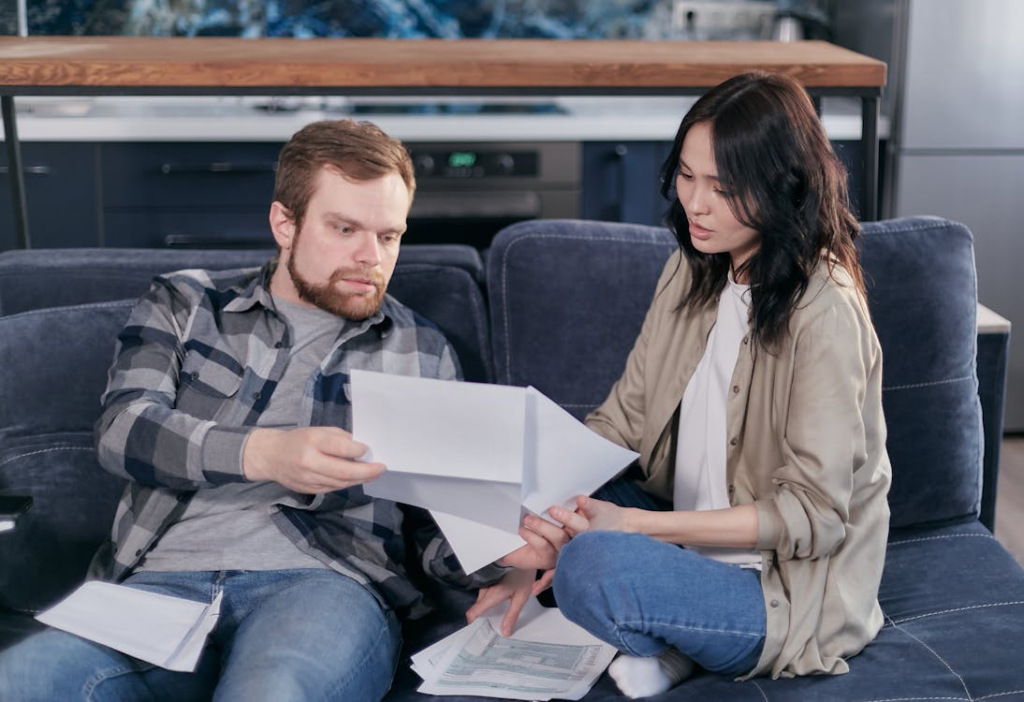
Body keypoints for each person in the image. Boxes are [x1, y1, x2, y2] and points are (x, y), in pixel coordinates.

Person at [0, 119, 564, 702]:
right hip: (158, 582)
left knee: (272, 693)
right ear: (285, 224)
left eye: (389, 236)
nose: (370, 257)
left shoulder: (420, 348)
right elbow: (124, 430)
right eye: (344, 228)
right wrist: (264, 453)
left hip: (324, 587)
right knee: (23, 681)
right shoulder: (187, 303)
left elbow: (433, 525)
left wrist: (499, 555)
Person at [471, 71, 892, 699]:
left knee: (593, 565)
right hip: (679, 538)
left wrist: (633, 529)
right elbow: (620, 423)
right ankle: (675, 633)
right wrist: (538, 532)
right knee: (532, 487)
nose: (695, 203)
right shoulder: (691, 269)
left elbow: (815, 516)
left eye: (723, 188)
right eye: (688, 176)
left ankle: (676, 643)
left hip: (775, 585)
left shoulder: (824, 311)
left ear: (783, 186)